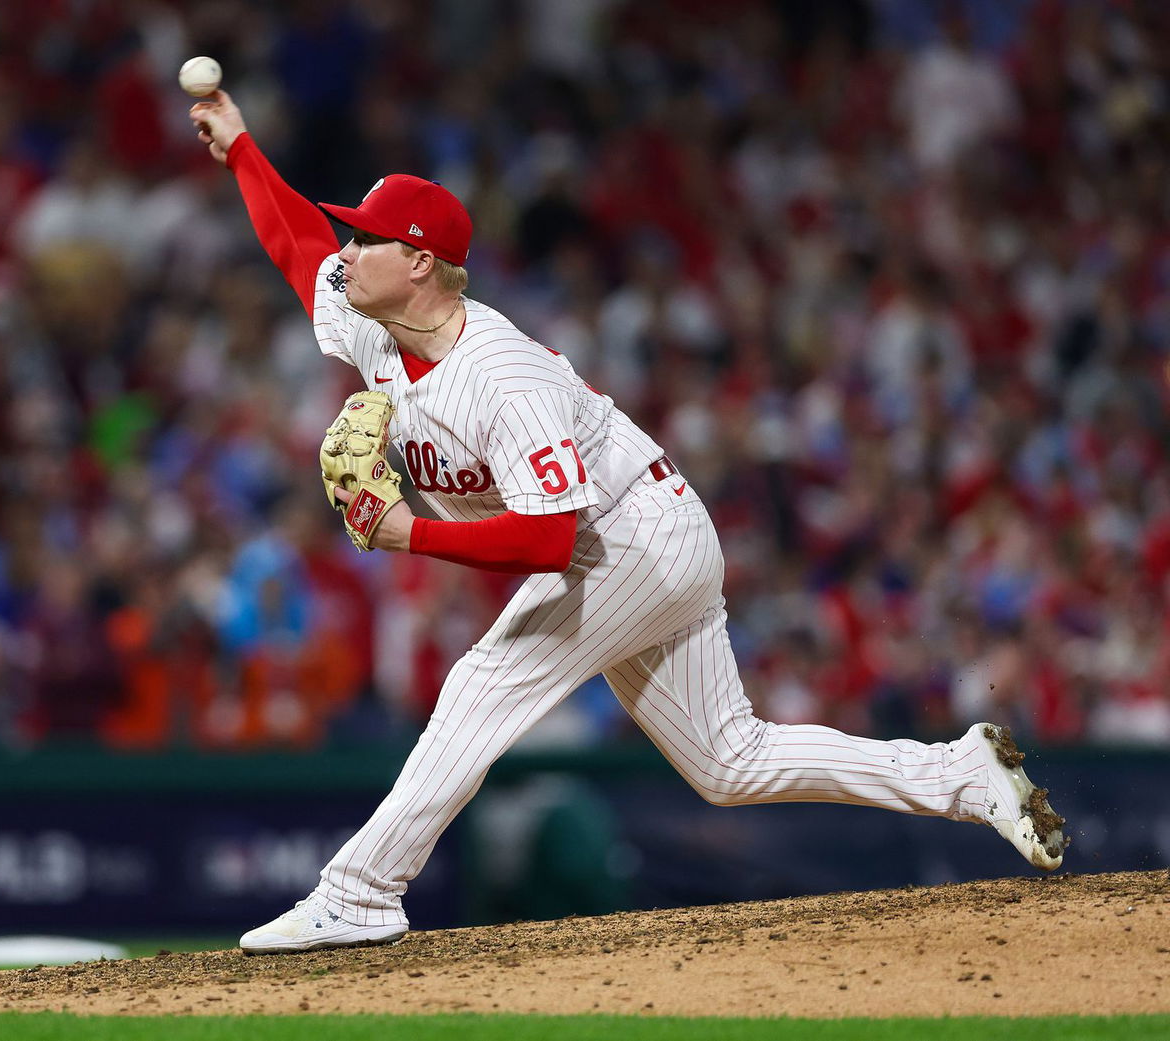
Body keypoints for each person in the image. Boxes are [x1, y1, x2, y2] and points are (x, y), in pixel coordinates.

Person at [187, 90, 1067, 955]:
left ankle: (360, 893)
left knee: (480, 686)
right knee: (730, 761)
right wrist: (241, 147)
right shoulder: (379, 323)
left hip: (628, 533)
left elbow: (549, 542)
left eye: (368, 236)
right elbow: (297, 246)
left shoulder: (503, 377)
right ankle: (958, 775)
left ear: (421, 262)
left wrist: (403, 534)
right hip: (640, 534)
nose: (348, 247)